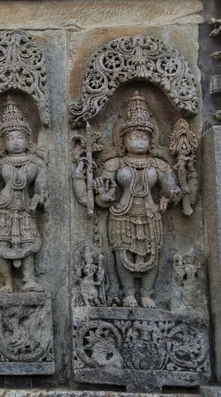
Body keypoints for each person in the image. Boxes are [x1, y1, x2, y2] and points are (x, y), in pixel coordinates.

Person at [73, 92, 182, 308]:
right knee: (122, 251)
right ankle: (129, 293)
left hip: (151, 213)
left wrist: (170, 194)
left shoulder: (160, 165)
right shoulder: (114, 164)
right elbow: (101, 191)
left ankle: (148, 294)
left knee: (153, 251)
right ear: (123, 140)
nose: (139, 142)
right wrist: (103, 197)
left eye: (144, 137)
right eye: (134, 137)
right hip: (122, 213)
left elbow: (172, 188)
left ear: (152, 140)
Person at [0, 97, 48, 293]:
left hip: (26, 206)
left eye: (20, 137)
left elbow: (40, 187)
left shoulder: (36, 163)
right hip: (3, 206)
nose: (16, 142)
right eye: (10, 138)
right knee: (0, 241)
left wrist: (38, 196)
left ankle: (29, 279)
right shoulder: (1, 163)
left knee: (28, 241)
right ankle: (7, 282)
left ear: (29, 140)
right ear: (3, 141)